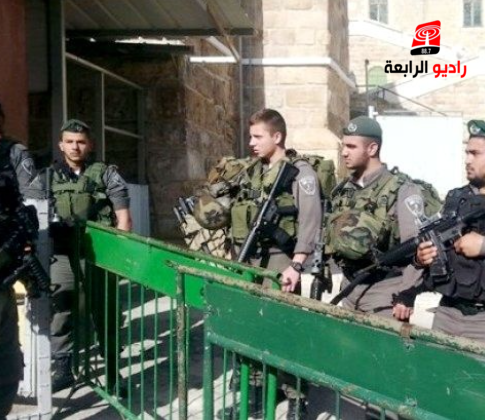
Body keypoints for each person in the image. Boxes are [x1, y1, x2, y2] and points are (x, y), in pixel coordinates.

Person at [229, 109, 322, 419]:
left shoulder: (300, 173)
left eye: (258, 137)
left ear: (277, 136)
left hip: (281, 259)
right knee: (252, 325)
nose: (251, 143)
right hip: (250, 257)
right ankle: (257, 390)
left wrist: (297, 265)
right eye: (250, 136)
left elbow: (310, 221)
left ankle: (296, 396)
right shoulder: (254, 170)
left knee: (284, 328)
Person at [49, 119, 132, 393]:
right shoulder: (48, 176)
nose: (75, 147)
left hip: (99, 254)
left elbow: (123, 218)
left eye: (81, 142)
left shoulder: (106, 174)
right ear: (61, 145)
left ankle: (113, 372)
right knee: (61, 310)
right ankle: (63, 368)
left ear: (90, 145)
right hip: (62, 254)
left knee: (106, 312)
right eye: (69, 141)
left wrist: (119, 256)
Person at [393, 120, 485, 340]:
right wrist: (421, 260)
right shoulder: (457, 198)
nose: (467, 160)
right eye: (466, 153)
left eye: (475, 154)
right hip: (447, 313)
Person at [327, 116, 422, 319]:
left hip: (385, 293)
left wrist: (407, 293)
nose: (344, 152)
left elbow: (417, 246)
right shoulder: (344, 189)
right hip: (349, 289)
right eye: (344, 146)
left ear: (372, 149)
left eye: (351, 146)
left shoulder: (403, 189)